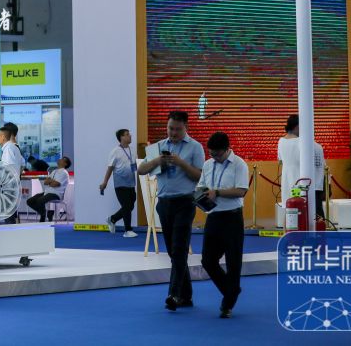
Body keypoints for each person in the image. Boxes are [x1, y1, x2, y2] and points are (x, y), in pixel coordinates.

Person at [137, 110, 205, 311]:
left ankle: (174, 294)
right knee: (173, 252)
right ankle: (186, 296)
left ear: (186, 128)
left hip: (185, 201)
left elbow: (200, 176)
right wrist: (157, 161)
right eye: (170, 128)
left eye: (177, 129)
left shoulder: (195, 147)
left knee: (179, 249)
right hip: (164, 203)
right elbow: (141, 170)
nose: (173, 132)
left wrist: (181, 163)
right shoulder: (159, 147)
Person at [197, 131, 249, 318]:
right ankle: (231, 290)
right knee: (207, 260)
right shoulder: (207, 164)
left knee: (233, 262)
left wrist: (217, 192)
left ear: (227, 149)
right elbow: (201, 185)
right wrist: (200, 195)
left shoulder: (239, 164)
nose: (214, 157)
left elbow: (241, 191)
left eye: (217, 154)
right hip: (213, 217)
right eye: (211, 154)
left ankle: (227, 304)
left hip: (232, 218)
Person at [278, 114, 326, 219]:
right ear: (297, 126)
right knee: (305, 209)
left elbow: (280, 160)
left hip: (287, 181)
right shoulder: (303, 142)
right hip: (301, 181)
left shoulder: (281, 141)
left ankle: (288, 229)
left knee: (289, 209)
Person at [100, 128, 138, 238]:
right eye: (127, 134)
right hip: (120, 184)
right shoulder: (115, 151)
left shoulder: (133, 150)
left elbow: (136, 166)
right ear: (121, 137)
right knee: (126, 206)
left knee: (130, 206)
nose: (130, 136)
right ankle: (128, 230)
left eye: (129, 134)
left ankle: (112, 219)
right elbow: (110, 168)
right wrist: (105, 182)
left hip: (131, 183)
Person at [26, 157, 71, 222]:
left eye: (62, 159)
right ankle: (44, 213)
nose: (59, 159)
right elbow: (45, 182)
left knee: (39, 201)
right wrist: (51, 182)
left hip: (56, 193)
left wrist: (50, 181)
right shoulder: (54, 171)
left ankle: (43, 216)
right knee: (30, 201)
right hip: (47, 192)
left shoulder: (64, 173)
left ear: (65, 164)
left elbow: (55, 184)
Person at [0, 122, 22, 224]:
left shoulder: (9, 148)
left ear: (3, 137)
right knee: (7, 213)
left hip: (8, 187)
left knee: (5, 214)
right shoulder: (12, 147)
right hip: (10, 186)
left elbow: (8, 168)